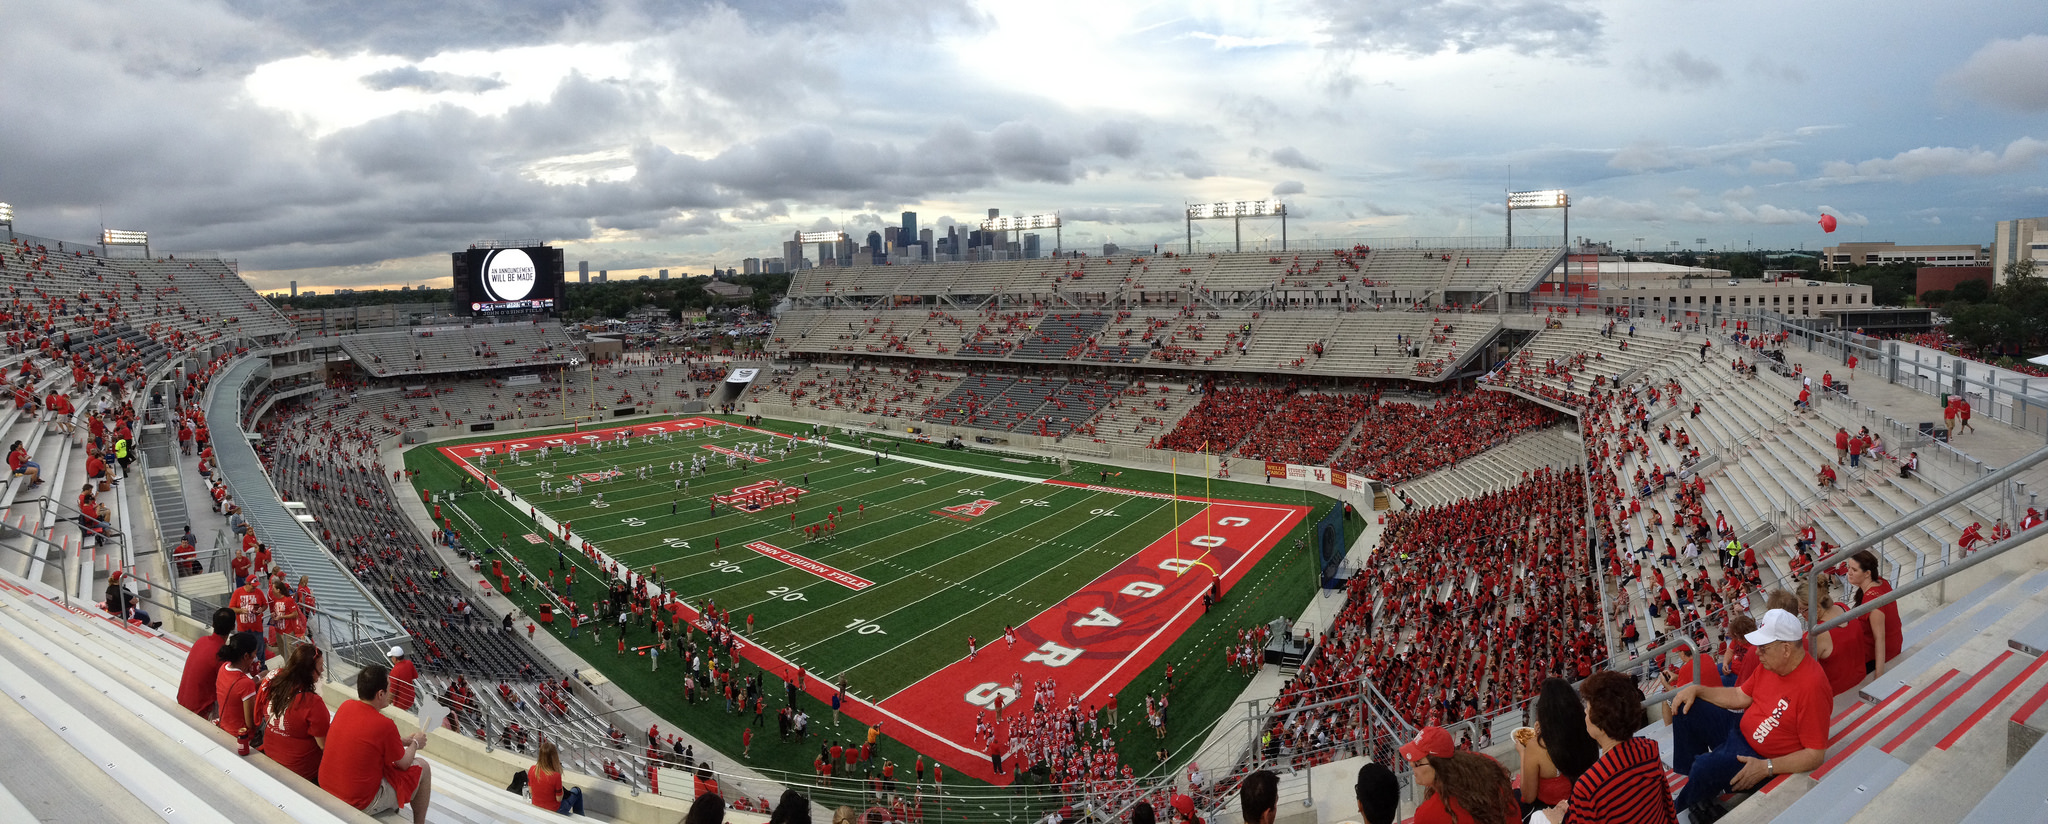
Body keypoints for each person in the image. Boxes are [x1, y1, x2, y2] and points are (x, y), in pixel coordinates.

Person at [1668, 608, 1830, 820]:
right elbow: (1739, 695)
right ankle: (1699, 788)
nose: (1757, 652)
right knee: (1685, 706)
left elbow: (1815, 755)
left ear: (1786, 649)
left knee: (1703, 766)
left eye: (1763, 648)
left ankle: (1676, 810)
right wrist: (1698, 690)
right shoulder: (1771, 664)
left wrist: (1767, 767)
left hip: (1759, 758)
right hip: (1740, 730)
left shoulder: (1812, 686)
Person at [1553, 671, 1676, 824]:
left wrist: (1560, 818)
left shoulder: (1588, 786)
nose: (1585, 711)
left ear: (1601, 722)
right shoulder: (1649, 748)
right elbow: (1667, 806)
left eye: (1588, 707)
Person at [320, 663, 433, 823]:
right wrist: (415, 742)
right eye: (389, 688)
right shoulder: (385, 724)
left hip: (327, 785)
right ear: (380, 694)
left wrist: (404, 741)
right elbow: (404, 764)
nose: (390, 692)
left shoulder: (346, 706)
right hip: (357, 800)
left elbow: (366, 737)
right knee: (424, 767)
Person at [1518, 678, 1601, 817]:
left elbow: (1528, 796)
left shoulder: (1537, 746)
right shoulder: (1587, 729)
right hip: (1587, 801)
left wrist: (1523, 754)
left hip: (1554, 812)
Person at [1402, 725, 1516, 824]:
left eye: (1417, 763)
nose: (1411, 765)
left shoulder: (1428, 814)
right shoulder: (1487, 764)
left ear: (1438, 767)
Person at [261, 644, 331, 782]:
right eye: (321, 666)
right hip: (301, 770)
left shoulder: (274, 685)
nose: (322, 670)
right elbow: (324, 745)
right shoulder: (312, 702)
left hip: (270, 754)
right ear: (309, 671)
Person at [1845, 550, 1902, 677]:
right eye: (1849, 567)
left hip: (1879, 654)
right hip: (1894, 643)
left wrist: (1879, 675)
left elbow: (1879, 639)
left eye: (1854, 570)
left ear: (1867, 574)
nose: (1849, 572)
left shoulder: (1872, 601)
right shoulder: (1881, 582)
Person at [179, 607, 236, 717]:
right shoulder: (222, 655)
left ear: (213, 624)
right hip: (201, 710)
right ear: (233, 627)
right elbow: (233, 689)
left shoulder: (201, 641)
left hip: (183, 701)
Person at [215, 631, 263, 755]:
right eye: (254, 655)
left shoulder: (224, 668)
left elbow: (238, 687)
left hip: (225, 725)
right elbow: (251, 724)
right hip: (242, 737)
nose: (254, 659)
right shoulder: (246, 685)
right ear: (246, 656)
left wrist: (257, 679)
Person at [518, 739, 583, 815]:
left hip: (536, 804)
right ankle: (580, 816)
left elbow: (531, 791)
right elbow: (559, 799)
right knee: (576, 790)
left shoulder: (532, 769)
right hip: (555, 809)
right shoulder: (556, 776)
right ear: (554, 757)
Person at [388, 646, 419, 711]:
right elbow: (414, 676)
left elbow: (392, 692)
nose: (391, 659)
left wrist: (387, 705)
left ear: (395, 659)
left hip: (400, 702)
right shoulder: (409, 663)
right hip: (410, 697)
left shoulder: (394, 671)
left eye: (391, 657)